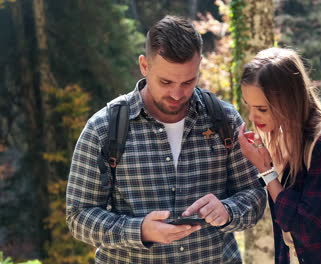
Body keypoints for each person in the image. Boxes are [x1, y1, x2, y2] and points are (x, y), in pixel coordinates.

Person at [66, 15, 266, 264]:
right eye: (166, 81)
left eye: (188, 81)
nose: (177, 93)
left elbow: (254, 196)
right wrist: (139, 230)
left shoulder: (224, 120)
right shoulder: (103, 128)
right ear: (144, 65)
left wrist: (228, 211)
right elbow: (78, 216)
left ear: (199, 65)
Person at [237, 47, 321, 264]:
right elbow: (286, 234)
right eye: (249, 106)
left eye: (262, 109)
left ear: (288, 101)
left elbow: (305, 229)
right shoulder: (289, 139)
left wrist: (267, 171)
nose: (252, 116)